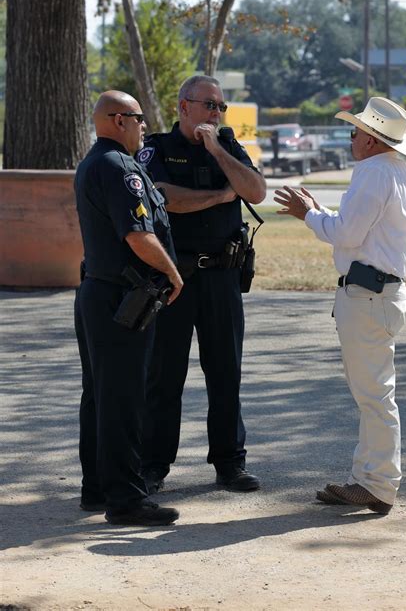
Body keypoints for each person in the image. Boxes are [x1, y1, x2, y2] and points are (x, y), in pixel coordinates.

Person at [274, 97, 406, 515]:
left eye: (356, 131)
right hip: (380, 294)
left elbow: (348, 233)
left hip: (368, 295)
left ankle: (377, 484)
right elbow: (360, 228)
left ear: (373, 139)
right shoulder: (394, 170)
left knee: (373, 395)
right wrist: (320, 212)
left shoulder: (373, 171)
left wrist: (308, 215)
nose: (351, 136)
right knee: (375, 393)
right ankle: (370, 478)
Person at [136, 75, 266, 492]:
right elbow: (161, 196)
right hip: (175, 279)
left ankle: (230, 462)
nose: (215, 113)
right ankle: (153, 465)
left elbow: (256, 190)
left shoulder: (227, 145)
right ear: (183, 107)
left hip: (223, 279)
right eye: (208, 105)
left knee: (226, 373)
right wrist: (217, 197)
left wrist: (216, 149)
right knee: (164, 376)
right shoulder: (158, 147)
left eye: (220, 107)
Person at [74, 90, 183, 526]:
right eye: (139, 118)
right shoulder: (118, 166)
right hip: (122, 297)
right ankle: (126, 499)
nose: (144, 125)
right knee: (122, 398)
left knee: (100, 395)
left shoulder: (96, 162)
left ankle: (97, 487)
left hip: (101, 294)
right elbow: (138, 235)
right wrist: (174, 273)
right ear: (118, 120)